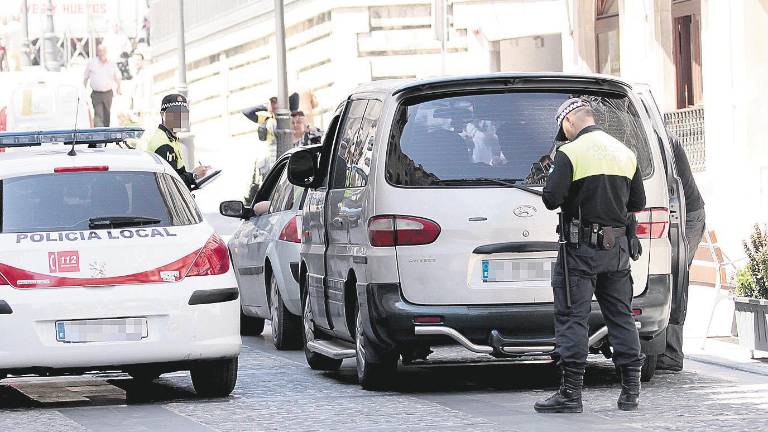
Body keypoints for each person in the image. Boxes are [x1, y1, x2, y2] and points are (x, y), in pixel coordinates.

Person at [536, 98, 647, 413]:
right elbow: (636, 202)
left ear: (569, 122)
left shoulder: (570, 153)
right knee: (621, 317)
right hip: (617, 251)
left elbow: (551, 199)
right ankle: (630, 393)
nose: (565, 135)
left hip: (580, 251)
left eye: (564, 130)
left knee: (573, 317)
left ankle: (570, 395)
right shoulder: (625, 153)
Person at [656, 133, 706, 372]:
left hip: (687, 216)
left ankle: (672, 354)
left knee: (675, 278)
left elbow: (670, 187)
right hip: (673, 213)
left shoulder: (664, 140)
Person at [146, 94, 208, 190]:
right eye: (174, 114)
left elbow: (176, 174)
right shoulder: (163, 143)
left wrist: (194, 174)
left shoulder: (170, 138)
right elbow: (171, 182)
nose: (179, 118)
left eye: (183, 114)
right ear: (163, 115)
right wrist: (194, 175)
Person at [83, 45, 122, 127]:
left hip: (108, 93)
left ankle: (106, 133)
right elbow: (85, 77)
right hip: (96, 94)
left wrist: (119, 87)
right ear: (97, 52)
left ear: (106, 52)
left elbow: (117, 76)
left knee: (107, 115)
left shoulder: (111, 64)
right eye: (99, 51)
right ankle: (99, 133)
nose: (101, 53)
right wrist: (83, 90)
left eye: (103, 51)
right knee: (98, 114)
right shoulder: (92, 63)